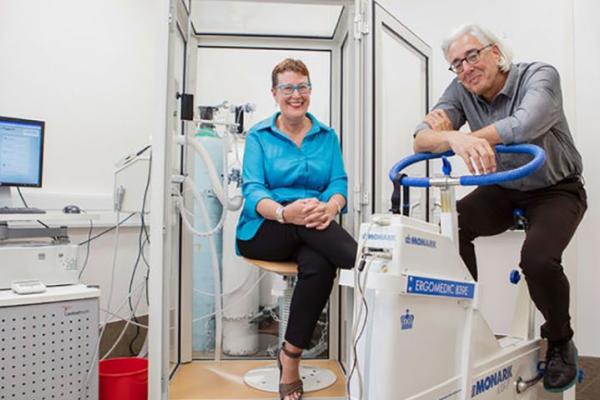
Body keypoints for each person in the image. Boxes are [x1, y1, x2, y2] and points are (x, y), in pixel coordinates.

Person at [413, 24, 587, 392]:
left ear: (496, 52)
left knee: (537, 261)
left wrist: (462, 138)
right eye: (456, 64)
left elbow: (526, 125)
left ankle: (559, 341)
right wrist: (450, 136)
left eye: (472, 56)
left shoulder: (539, 75)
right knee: (451, 228)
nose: (466, 68)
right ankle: (466, 323)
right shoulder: (461, 90)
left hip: (556, 189)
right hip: (504, 189)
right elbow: (421, 139)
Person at [236, 58, 357, 400]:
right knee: (316, 230)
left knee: (320, 264)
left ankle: (289, 359)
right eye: (287, 88)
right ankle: (362, 261)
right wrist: (285, 213)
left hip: (313, 227)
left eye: (302, 87)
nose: (296, 95)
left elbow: (338, 182)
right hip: (265, 229)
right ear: (274, 93)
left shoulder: (326, 136)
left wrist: (331, 207)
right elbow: (253, 190)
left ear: (309, 91)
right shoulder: (260, 136)